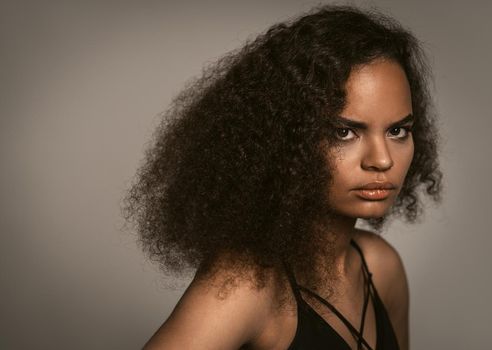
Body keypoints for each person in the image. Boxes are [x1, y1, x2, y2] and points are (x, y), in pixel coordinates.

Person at [123, 4, 442, 349]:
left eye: (397, 130)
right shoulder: (248, 283)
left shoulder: (381, 268)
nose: (381, 160)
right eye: (343, 132)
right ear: (288, 140)